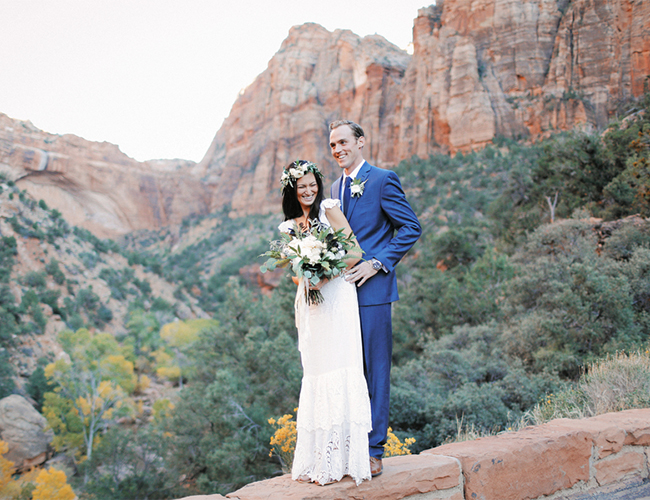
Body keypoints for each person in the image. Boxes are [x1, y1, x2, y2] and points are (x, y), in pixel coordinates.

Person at [329, 120, 421, 477]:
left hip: (374, 292)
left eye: (343, 142)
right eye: (333, 145)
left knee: (376, 370)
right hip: (343, 294)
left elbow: (410, 226)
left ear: (361, 142)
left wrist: (377, 262)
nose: (337, 149)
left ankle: (373, 450)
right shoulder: (336, 187)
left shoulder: (383, 179)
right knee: (350, 370)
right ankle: (351, 444)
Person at [279, 160, 373, 486]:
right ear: (292, 190)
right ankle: (323, 460)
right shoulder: (289, 227)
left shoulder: (329, 211)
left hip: (339, 299)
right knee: (317, 372)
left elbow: (355, 252)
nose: (308, 191)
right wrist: (307, 277)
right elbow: (294, 273)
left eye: (312, 184)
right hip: (312, 305)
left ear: (318, 183)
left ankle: (348, 460)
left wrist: (325, 273)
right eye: (301, 187)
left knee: (343, 367)